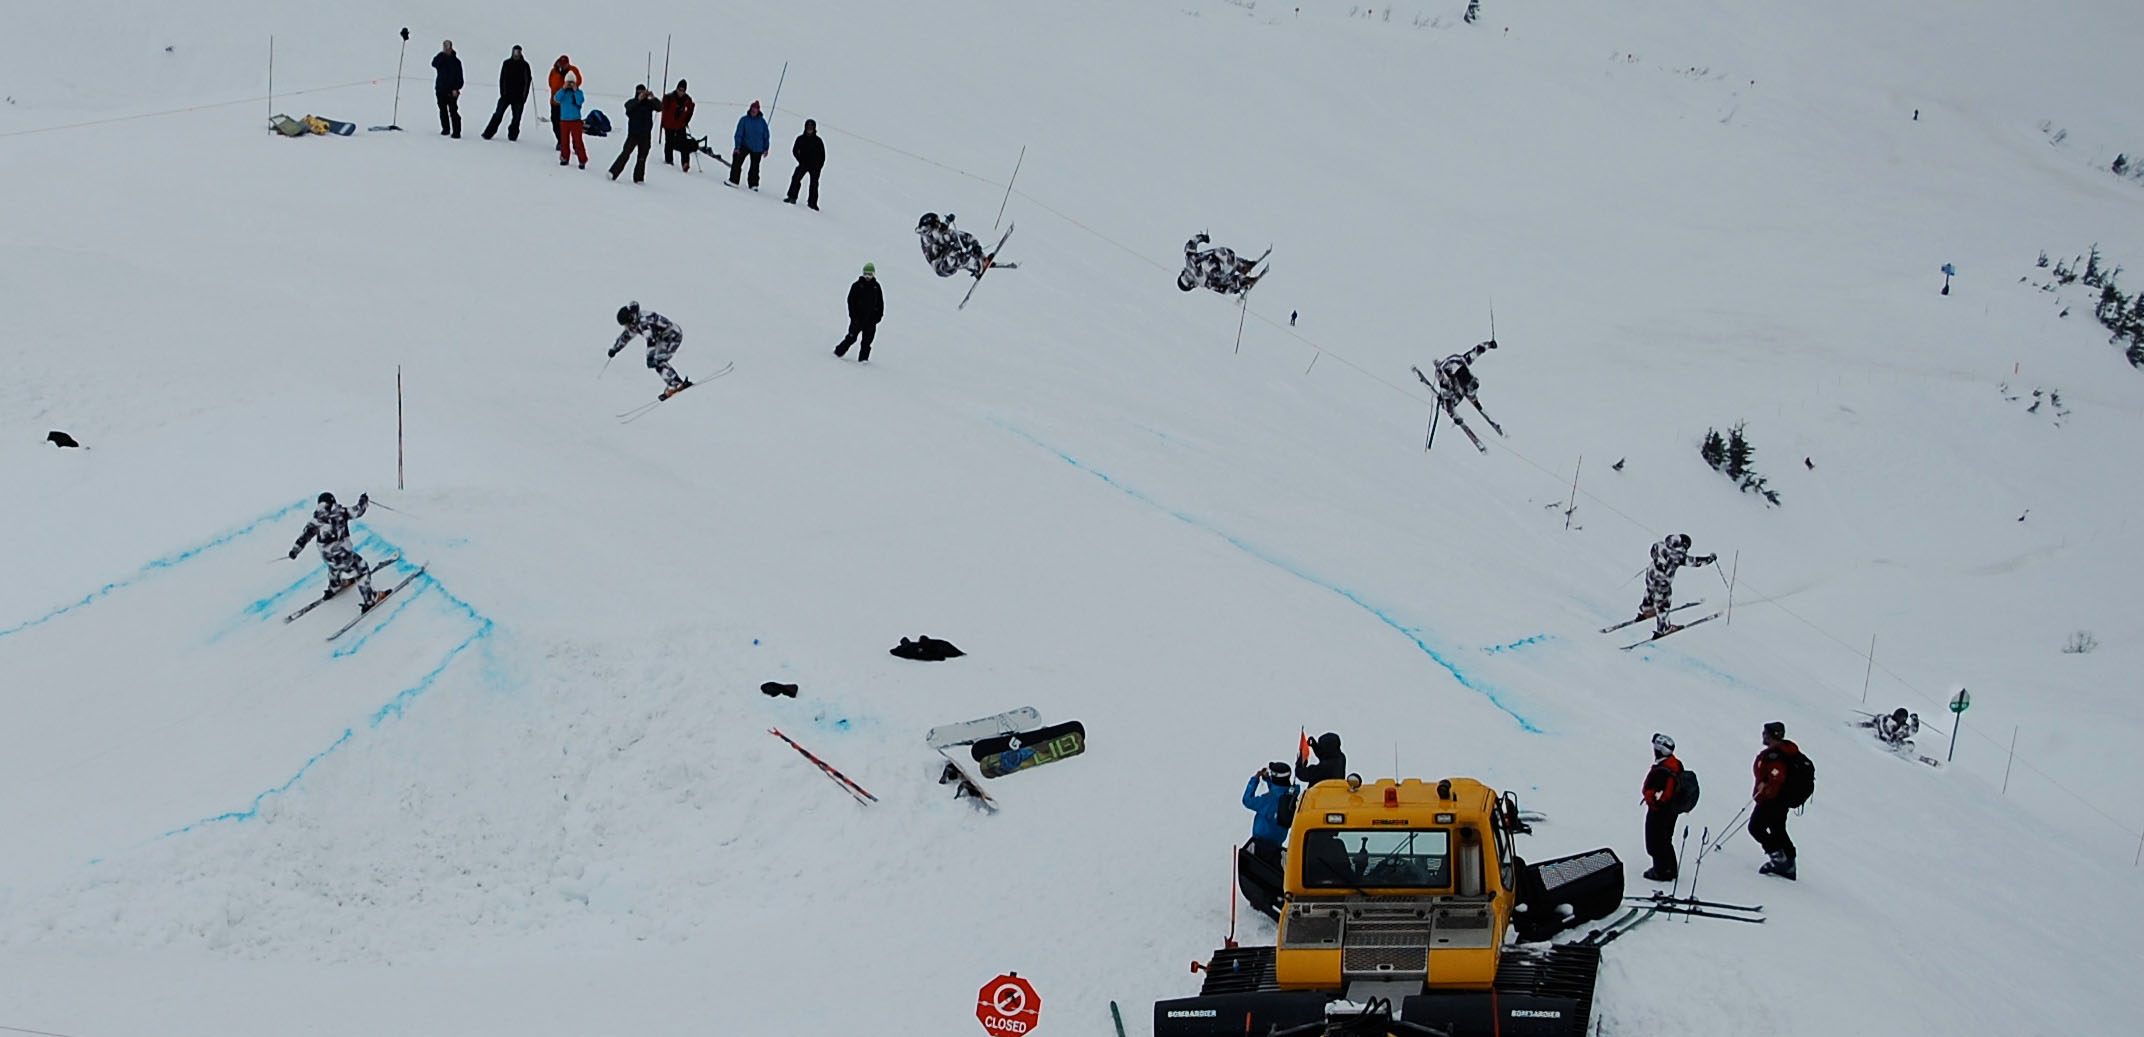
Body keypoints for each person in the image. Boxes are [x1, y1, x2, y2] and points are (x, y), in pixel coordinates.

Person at [287, 491, 378, 608]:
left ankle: (335, 586)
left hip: (327, 557)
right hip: (344, 555)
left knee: (334, 568)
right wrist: (363, 500)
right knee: (362, 568)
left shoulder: (316, 520)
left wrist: (295, 551)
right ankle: (370, 599)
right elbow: (358, 510)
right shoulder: (341, 513)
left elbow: (304, 537)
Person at [1410, 339, 1502, 449]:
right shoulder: (1446, 384)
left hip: (1455, 363)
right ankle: (1464, 391)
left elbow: (1477, 350)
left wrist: (1489, 345)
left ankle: (1472, 395)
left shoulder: (1463, 361)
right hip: (1444, 372)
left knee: (1469, 390)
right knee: (1451, 402)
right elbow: (1449, 407)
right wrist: (1456, 418)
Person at [1634, 534, 1717, 637]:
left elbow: (1652, 553)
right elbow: (1696, 562)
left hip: (1651, 576)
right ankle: (1664, 628)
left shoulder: (1659, 545)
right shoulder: (1678, 556)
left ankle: (1647, 609)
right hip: (1662, 583)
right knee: (1663, 604)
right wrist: (1710, 559)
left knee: (1650, 591)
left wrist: (1660, 560)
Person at [1749, 722, 1801, 880]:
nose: (1763, 736)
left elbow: (1777, 776)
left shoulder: (1775, 755)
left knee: (1756, 827)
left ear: (1773, 736)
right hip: (1781, 798)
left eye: (1766, 733)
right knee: (1777, 828)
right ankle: (1789, 863)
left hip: (1772, 798)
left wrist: (1766, 788)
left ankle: (1779, 859)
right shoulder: (1786, 751)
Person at [609, 301, 689, 397]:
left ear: (631, 318)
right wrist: (615, 349)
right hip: (662, 338)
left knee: (658, 360)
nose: (627, 327)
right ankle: (674, 383)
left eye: (627, 324)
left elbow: (651, 340)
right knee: (657, 361)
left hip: (672, 336)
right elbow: (626, 336)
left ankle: (675, 384)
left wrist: (650, 357)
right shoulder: (635, 323)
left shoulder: (644, 322)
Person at [1640, 733, 1688, 882]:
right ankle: (1671, 869)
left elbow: (1660, 796)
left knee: (1655, 841)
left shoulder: (1662, 770)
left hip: (1660, 811)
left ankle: (1661, 871)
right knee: (1666, 838)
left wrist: (1650, 798)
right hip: (1672, 810)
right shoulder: (1675, 764)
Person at [1242, 761, 1297, 870]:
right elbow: (1278, 791)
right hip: (1277, 843)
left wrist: (1255, 780)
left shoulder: (1267, 801)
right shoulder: (1291, 794)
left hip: (1261, 845)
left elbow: (1247, 800)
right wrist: (1268, 780)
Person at [1178, 233, 1264, 294]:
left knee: (1221, 283)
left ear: (1191, 285)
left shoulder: (1204, 282)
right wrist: (1204, 237)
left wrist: (1235, 290)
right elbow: (1192, 242)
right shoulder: (1190, 258)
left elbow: (1221, 287)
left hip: (1227, 267)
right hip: (1225, 252)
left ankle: (1244, 282)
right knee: (1215, 261)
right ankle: (1243, 265)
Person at [610, 85, 661, 183]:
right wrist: (638, 100)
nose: (641, 93)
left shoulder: (649, 104)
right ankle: (613, 172)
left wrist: (653, 98)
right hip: (633, 135)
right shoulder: (632, 103)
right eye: (639, 91)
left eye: (643, 91)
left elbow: (660, 107)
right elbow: (627, 107)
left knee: (642, 158)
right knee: (625, 154)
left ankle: (639, 178)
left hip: (645, 135)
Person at [835, 263, 884, 362]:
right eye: (865, 274)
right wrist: (854, 317)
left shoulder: (876, 287)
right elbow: (851, 301)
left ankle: (863, 361)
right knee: (851, 337)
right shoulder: (857, 286)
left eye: (870, 275)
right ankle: (837, 353)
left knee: (867, 342)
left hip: (870, 321)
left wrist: (877, 318)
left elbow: (880, 303)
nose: (867, 277)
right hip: (858, 319)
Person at [481, 45, 532, 141]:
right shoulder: (507, 63)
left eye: (518, 52)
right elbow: (502, 79)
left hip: (518, 97)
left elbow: (527, 81)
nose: (516, 54)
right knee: (498, 114)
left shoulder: (525, 65)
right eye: (515, 52)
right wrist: (503, 93)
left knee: (516, 118)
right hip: (506, 95)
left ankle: (513, 135)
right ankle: (488, 133)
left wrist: (523, 97)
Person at [915, 213, 988, 277]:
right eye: (936, 226)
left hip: (946, 252)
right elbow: (936, 238)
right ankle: (974, 266)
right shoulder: (928, 238)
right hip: (942, 266)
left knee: (962, 238)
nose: (938, 227)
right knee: (954, 257)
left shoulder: (937, 230)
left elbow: (944, 232)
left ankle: (982, 258)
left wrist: (975, 246)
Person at [730, 100, 771, 189]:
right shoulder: (744, 120)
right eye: (753, 108)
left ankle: (753, 184)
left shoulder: (762, 122)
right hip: (745, 145)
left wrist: (766, 148)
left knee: (755, 168)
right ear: (750, 109)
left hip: (758, 148)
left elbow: (766, 135)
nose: (754, 110)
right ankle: (733, 180)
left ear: (758, 110)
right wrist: (737, 147)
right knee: (737, 161)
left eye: (756, 109)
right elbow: (739, 134)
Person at [785, 118, 825, 209]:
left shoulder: (818, 141)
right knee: (795, 178)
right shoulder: (800, 138)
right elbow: (795, 150)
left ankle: (812, 203)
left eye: (811, 126)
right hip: (803, 164)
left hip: (815, 167)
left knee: (814, 184)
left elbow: (822, 155)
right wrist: (800, 160)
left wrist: (819, 166)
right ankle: (792, 197)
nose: (809, 128)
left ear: (814, 128)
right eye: (808, 126)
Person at [547, 55, 584, 148]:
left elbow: (578, 81)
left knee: (573, 124)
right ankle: (561, 141)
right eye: (562, 64)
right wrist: (561, 89)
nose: (563, 66)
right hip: (556, 102)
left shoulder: (573, 70)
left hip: (570, 103)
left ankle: (576, 144)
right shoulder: (554, 71)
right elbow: (551, 84)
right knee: (556, 122)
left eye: (565, 64)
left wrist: (570, 84)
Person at [554, 71, 587, 169]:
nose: (570, 85)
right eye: (568, 82)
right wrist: (563, 89)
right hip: (564, 120)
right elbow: (556, 98)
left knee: (578, 141)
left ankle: (582, 160)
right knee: (564, 140)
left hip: (576, 121)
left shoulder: (578, 92)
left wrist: (575, 90)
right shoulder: (562, 93)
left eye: (571, 82)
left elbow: (580, 101)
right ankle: (564, 157)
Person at [661, 80, 696, 170]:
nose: (681, 92)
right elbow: (662, 107)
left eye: (683, 90)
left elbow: (691, 108)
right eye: (679, 89)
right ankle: (669, 160)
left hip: (680, 125)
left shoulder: (687, 99)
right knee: (669, 142)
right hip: (669, 124)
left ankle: (685, 163)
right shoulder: (669, 97)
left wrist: (687, 120)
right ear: (676, 89)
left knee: (684, 144)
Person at [432, 40, 464, 138]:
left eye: (448, 47)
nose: (446, 49)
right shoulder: (441, 59)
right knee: (443, 110)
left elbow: (460, 78)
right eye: (444, 47)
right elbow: (434, 64)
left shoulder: (456, 62)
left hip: (452, 91)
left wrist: (456, 88)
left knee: (453, 111)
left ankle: (456, 132)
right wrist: (442, 55)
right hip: (441, 89)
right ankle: (445, 129)